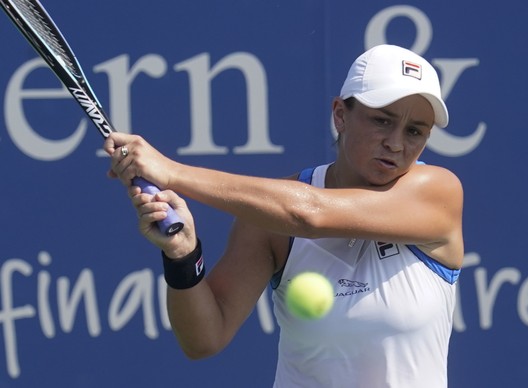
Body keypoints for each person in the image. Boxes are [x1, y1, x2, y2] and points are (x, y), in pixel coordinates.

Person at [104, 44, 464, 387]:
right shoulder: (270, 218)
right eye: (382, 121)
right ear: (340, 114)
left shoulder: (438, 193)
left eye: (415, 131)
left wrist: (171, 171)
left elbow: (310, 214)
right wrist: (182, 255)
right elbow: (204, 339)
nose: (397, 144)